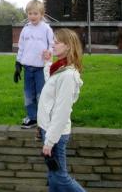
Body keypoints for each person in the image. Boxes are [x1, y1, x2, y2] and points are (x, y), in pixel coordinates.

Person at [38, 28, 85, 192]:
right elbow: (51, 85)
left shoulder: (68, 75)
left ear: (68, 46)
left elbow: (62, 112)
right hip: (49, 129)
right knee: (53, 176)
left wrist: (50, 141)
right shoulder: (60, 69)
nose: (53, 45)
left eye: (57, 43)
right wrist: (47, 63)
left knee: (61, 178)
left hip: (55, 133)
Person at [14, 0, 54, 130]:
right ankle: (32, 118)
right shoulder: (25, 29)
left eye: (35, 13)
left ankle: (44, 118)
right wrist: (18, 64)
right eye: (30, 13)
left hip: (41, 68)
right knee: (28, 94)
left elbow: (52, 45)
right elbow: (21, 47)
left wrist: (49, 53)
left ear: (42, 14)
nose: (32, 16)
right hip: (27, 68)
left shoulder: (46, 29)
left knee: (41, 94)